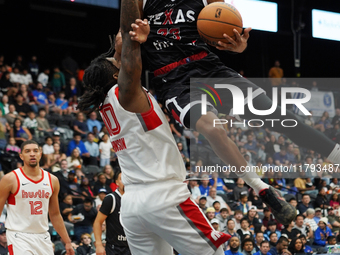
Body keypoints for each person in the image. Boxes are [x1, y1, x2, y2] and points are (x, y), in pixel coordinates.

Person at [132, 0, 340, 223]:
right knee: (213, 129)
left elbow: (234, 40)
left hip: (210, 68)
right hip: (174, 80)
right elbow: (120, 48)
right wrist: (138, 41)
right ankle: (261, 188)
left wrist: (237, 45)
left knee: (280, 117)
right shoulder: (139, 2)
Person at [77, 0, 231, 253]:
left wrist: (117, 51)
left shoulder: (106, 101)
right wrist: (130, 37)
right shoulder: (124, 93)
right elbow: (129, 59)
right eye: (115, 62)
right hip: (164, 197)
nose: (117, 56)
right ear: (118, 76)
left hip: (133, 204)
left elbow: (118, 62)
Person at [0, 140, 74, 255]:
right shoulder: (10, 179)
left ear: (40, 154)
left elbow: (55, 214)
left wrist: (67, 241)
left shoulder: (52, 180)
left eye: (35, 150)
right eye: (27, 151)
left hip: (43, 236)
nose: (32, 154)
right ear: (21, 156)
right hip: (18, 235)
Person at [93, 169, 131, 255]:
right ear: (117, 182)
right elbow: (98, 222)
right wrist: (99, 245)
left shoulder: (135, 199)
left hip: (132, 246)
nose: (125, 181)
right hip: (114, 248)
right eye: (122, 179)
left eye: (127, 178)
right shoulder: (111, 198)